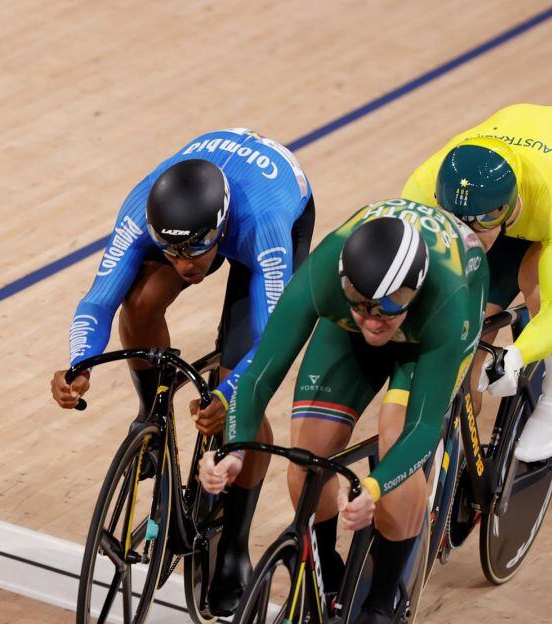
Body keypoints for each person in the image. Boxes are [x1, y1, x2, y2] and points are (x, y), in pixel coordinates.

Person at [49, 128, 315, 611]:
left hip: (275, 205)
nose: (183, 265)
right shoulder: (141, 213)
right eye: (172, 252)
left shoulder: (264, 225)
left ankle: (234, 545)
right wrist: (78, 362)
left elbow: (273, 342)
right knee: (139, 302)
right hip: (204, 212)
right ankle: (153, 413)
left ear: (216, 230)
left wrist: (232, 390)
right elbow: (97, 302)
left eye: (194, 252)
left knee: (242, 391)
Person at [200, 200, 487, 622]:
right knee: (306, 461)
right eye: (360, 303)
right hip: (349, 335)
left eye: (386, 306)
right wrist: (235, 452)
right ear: (345, 282)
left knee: (396, 442)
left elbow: (423, 429)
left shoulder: (449, 302)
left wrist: (372, 488)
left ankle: (383, 600)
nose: (372, 320)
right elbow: (257, 378)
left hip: (427, 338)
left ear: (414, 289)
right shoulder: (323, 275)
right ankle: (328, 570)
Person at [401, 103, 552, 462]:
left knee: (539, 284)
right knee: (468, 337)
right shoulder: (426, 183)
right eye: (452, 221)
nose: (464, 236)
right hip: (510, 200)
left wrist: (517, 355)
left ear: (505, 212)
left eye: (474, 228)